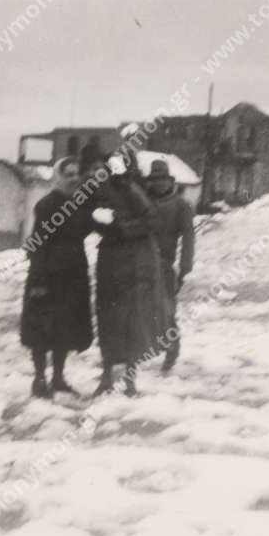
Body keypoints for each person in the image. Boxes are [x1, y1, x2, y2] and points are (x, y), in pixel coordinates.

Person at [92, 154, 168, 396]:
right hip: (110, 263)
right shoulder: (100, 191)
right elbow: (95, 219)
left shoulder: (130, 188)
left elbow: (152, 221)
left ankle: (129, 380)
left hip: (132, 263)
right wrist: (98, 221)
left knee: (131, 322)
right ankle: (107, 376)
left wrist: (120, 227)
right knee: (107, 320)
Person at [20, 157, 94, 398]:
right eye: (68, 174)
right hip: (48, 275)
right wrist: (39, 281)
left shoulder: (80, 204)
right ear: (58, 178)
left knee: (64, 328)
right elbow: (37, 243)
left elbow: (86, 229)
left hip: (72, 275)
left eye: (76, 174)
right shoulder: (47, 205)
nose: (74, 179)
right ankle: (39, 379)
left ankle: (58, 378)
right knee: (42, 330)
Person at [145, 159, 195, 372]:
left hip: (165, 265)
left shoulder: (181, 205)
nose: (158, 183)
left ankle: (172, 349)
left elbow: (188, 237)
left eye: (162, 179)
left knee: (166, 311)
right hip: (141, 263)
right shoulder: (143, 201)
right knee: (142, 310)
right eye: (154, 179)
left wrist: (185, 267)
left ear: (170, 181)